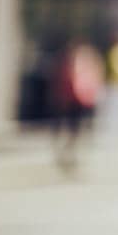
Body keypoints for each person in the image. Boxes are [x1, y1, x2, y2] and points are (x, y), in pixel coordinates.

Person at [48, 36, 104, 175]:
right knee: (64, 128)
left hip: (79, 99)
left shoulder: (86, 62)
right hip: (67, 99)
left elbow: (92, 81)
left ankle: (69, 153)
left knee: (75, 129)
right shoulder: (67, 62)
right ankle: (64, 153)